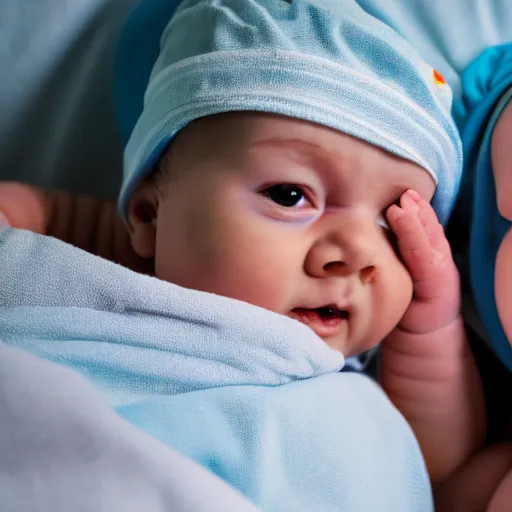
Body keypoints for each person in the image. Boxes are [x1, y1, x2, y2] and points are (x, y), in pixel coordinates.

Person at [0, 0, 494, 509]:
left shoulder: (356, 371)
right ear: (148, 215)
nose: (358, 254)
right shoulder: (85, 292)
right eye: (290, 195)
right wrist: (50, 214)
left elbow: (438, 462)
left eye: (393, 224)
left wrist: (429, 323)